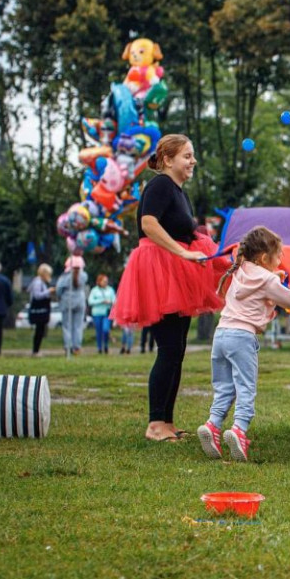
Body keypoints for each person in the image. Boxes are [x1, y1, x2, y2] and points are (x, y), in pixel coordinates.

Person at [110, 134, 228, 443]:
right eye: (187, 156)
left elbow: (191, 234)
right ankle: (154, 424)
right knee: (168, 349)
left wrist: (220, 254)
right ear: (167, 160)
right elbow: (149, 224)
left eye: (193, 156)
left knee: (178, 350)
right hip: (158, 271)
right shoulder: (160, 186)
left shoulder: (180, 193)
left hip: (177, 272)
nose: (193, 161)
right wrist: (183, 253)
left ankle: (168, 422)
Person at [197, 226, 290, 462]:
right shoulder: (266, 279)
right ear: (265, 258)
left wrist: (273, 278)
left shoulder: (241, 270)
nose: (281, 259)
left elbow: (258, 282)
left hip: (221, 334)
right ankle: (239, 430)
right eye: (279, 255)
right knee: (245, 388)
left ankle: (213, 425)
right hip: (242, 337)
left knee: (224, 387)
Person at [55, 256, 88, 357]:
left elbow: (58, 290)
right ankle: (77, 347)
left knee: (67, 326)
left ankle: (68, 347)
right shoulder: (84, 275)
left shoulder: (65, 276)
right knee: (78, 326)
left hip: (67, 301)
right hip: (80, 301)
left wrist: (59, 297)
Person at [26, 263, 55, 357]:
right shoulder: (38, 282)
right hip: (39, 310)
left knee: (40, 330)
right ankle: (35, 351)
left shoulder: (40, 282)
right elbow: (37, 295)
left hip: (41, 310)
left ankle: (36, 350)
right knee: (39, 331)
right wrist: (48, 291)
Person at [88, 274, 116, 354]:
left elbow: (114, 300)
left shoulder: (110, 290)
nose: (105, 282)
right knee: (99, 331)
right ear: (99, 281)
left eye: (106, 281)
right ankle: (99, 348)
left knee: (105, 329)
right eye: (104, 281)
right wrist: (101, 301)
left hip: (107, 313)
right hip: (97, 313)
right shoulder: (94, 290)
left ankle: (106, 345)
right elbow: (90, 301)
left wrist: (110, 302)